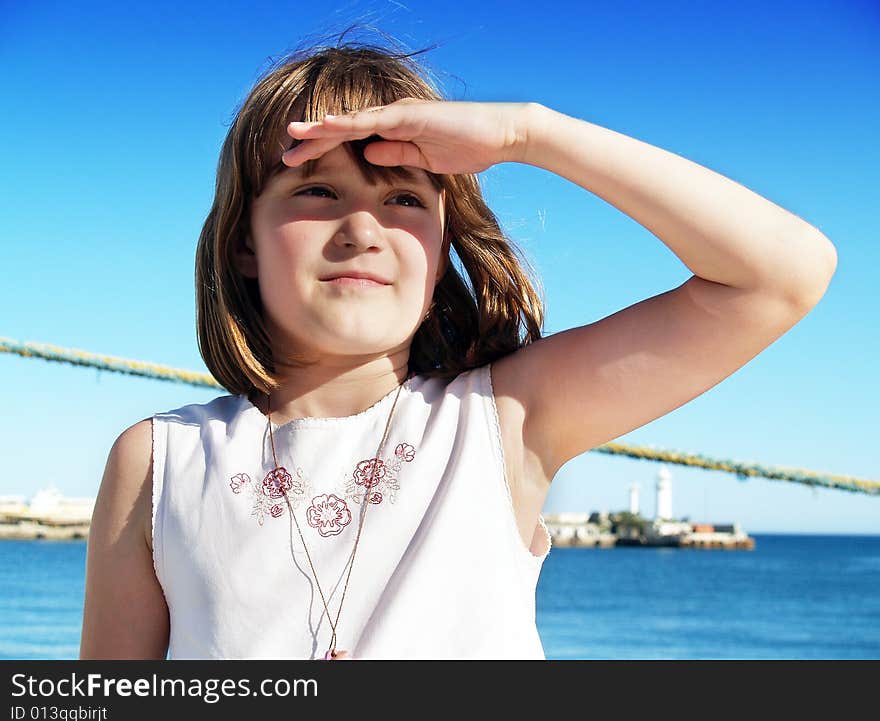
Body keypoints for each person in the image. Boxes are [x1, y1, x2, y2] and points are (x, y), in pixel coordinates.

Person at [79, 37, 837, 660]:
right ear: (244, 242)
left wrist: (526, 134)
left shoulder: (506, 420)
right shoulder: (159, 460)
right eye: (316, 190)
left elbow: (781, 275)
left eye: (404, 197)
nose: (363, 229)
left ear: (441, 252)